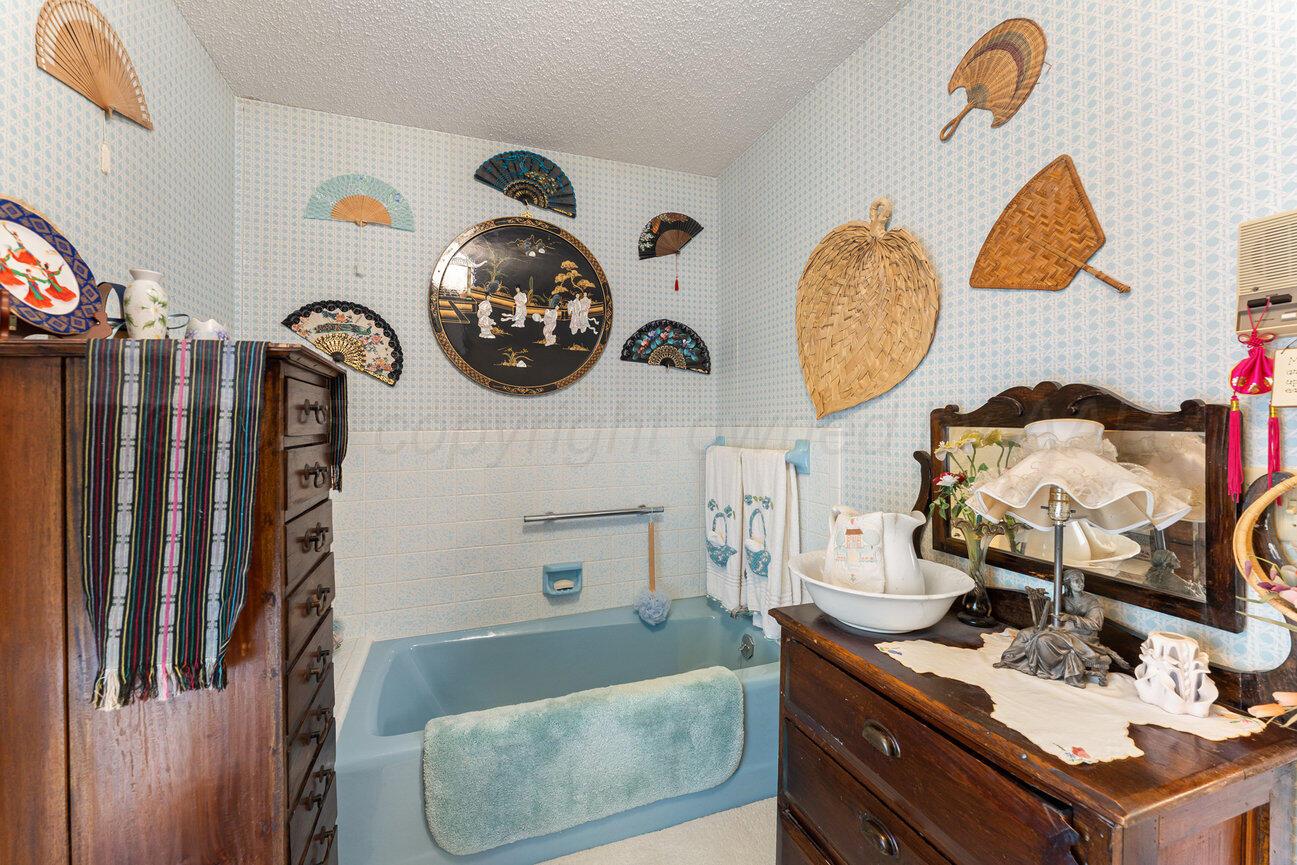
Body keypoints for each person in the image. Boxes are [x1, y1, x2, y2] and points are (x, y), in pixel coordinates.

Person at [994, 570, 1129, 687]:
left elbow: (1096, 624)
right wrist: (1040, 599)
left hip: (1082, 636)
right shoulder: (1063, 599)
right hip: (1061, 630)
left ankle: (1045, 669)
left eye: (1082, 580)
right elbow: (1050, 612)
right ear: (1068, 584)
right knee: (1024, 634)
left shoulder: (1091, 601)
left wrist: (1071, 618)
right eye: (1076, 581)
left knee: (1043, 639)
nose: (1081, 583)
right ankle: (1009, 660)